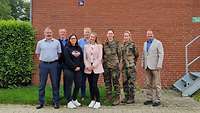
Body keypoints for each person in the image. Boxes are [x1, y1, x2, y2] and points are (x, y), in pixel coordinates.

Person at [35, 27, 61, 109]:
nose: (48, 34)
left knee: (55, 84)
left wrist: (52, 59)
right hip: (43, 65)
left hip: (54, 65)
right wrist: (44, 59)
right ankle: (41, 102)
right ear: (44, 33)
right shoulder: (40, 43)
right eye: (47, 32)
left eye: (50, 32)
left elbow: (59, 53)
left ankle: (56, 102)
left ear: (52, 33)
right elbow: (37, 54)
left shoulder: (56, 42)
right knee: (42, 84)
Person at [142, 30, 164, 107]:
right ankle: (149, 98)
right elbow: (143, 55)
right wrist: (143, 64)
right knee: (148, 83)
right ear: (146, 35)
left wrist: (159, 65)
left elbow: (161, 54)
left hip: (155, 66)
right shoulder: (145, 43)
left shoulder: (158, 43)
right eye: (148, 34)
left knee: (156, 83)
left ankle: (158, 99)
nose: (149, 35)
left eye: (150, 34)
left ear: (153, 35)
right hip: (147, 66)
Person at [83, 32, 104, 109]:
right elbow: (84, 58)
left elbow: (100, 57)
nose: (92, 38)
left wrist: (93, 66)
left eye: (93, 37)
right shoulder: (85, 46)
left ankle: (98, 101)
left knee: (94, 84)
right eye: (91, 37)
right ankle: (92, 100)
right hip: (88, 68)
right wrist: (87, 66)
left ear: (95, 38)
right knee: (90, 84)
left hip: (96, 68)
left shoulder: (99, 46)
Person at [63, 34, 84, 109]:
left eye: (74, 38)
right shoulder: (66, 48)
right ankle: (69, 101)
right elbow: (67, 59)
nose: (73, 40)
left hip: (78, 69)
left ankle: (74, 99)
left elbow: (82, 59)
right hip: (68, 69)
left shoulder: (79, 48)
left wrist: (79, 67)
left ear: (76, 39)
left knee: (78, 84)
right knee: (69, 85)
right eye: (72, 38)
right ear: (69, 40)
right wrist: (74, 67)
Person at [103, 29, 121, 106]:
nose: (110, 35)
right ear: (107, 35)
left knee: (116, 82)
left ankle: (117, 98)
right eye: (108, 33)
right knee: (107, 82)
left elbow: (119, 55)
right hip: (106, 66)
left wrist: (116, 62)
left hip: (114, 66)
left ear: (113, 35)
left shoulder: (117, 44)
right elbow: (103, 55)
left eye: (111, 33)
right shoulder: (104, 44)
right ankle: (109, 98)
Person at [121, 31, 139, 104]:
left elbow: (136, 54)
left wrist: (133, 62)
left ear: (129, 37)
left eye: (127, 36)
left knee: (131, 82)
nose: (125, 37)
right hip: (124, 66)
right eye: (124, 36)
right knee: (124, 82)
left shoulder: (133, 45)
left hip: (131, 66)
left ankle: (131, 98)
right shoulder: (122, 45)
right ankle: (126, 97)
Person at [78, 27, 92, 101]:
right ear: (83, 33)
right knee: (82, 81)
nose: (87, 34)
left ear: (90, 33)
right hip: (82, 64)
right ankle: (83, 95)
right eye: (86, 32)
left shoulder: (93, 41)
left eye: (88, 32)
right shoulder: (79, 41)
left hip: (90, 64)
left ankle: (92, 95)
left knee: (91, 80)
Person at [57, 28, 68, 98]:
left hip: (67, 64)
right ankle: (56, 96)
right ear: (59, 34)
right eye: (61, 33)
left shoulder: (68, 41)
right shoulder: (56, 41)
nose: (62, 34)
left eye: (64, 32)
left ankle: (66, 95)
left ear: (66, 33)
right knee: (57, 79)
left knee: (66, 79)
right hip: (58, 63)